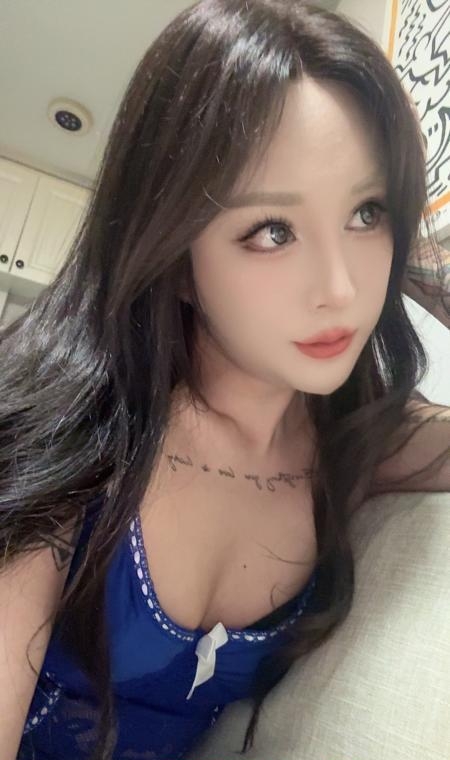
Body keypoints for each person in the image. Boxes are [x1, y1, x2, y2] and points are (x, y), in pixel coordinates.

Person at [1, 1, 449, 759]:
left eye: (367, 212)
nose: (340, 287)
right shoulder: (71, 446)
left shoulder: (355, 442)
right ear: (174, 254)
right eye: (272, 231)